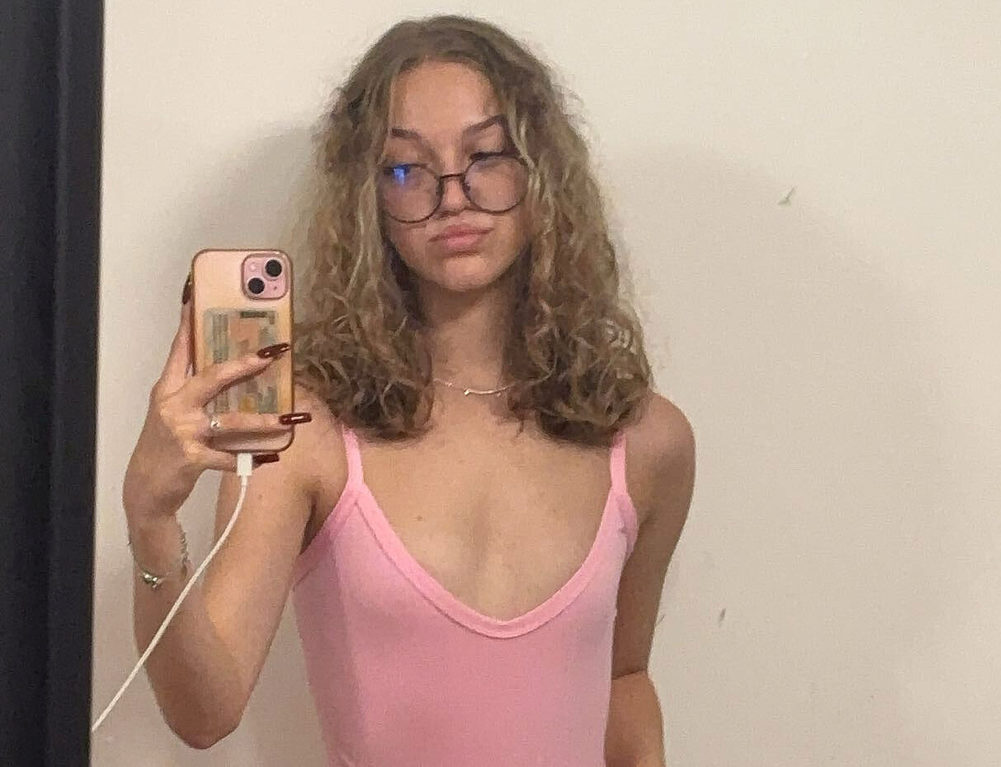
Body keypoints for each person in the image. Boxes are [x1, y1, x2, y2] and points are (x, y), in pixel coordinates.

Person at [122, 14, 695, 767]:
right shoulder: (308, 432)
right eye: (405, 170)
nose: (453, 196)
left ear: (541, 173)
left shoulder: (647, 442)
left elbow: (624, 677)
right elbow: (206, 711)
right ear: (368, 203)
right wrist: (151, 517)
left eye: (486, 155)